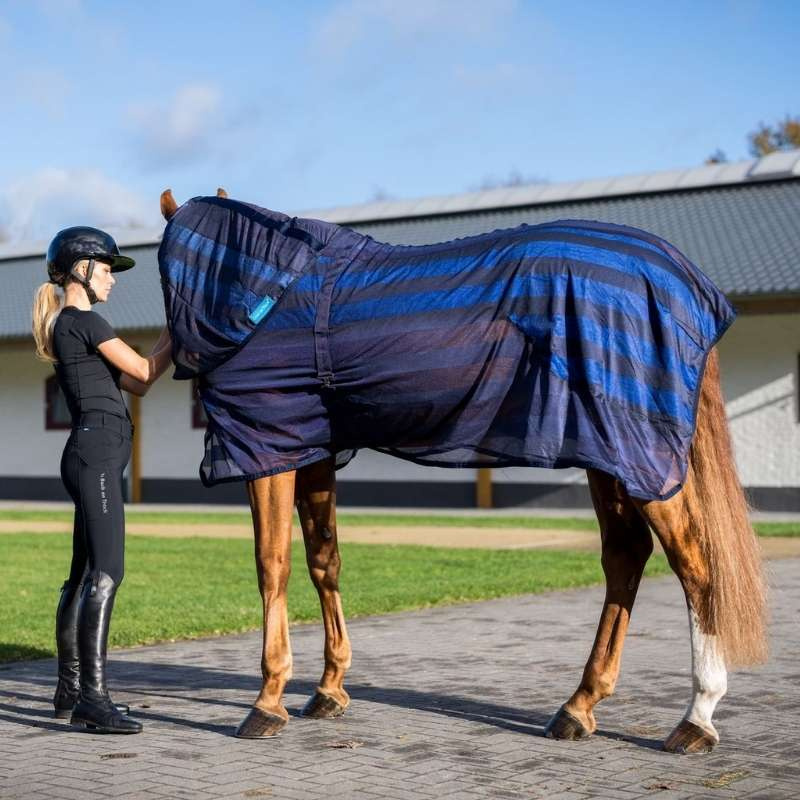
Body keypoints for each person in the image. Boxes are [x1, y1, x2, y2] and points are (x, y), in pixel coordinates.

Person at [31, 227, 173, 734]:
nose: (113, 279)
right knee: (106, 572)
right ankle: (93, 698)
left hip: (91, 456)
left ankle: (69, 693)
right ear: (81, 269)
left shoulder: (70, 326)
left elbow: (139, 380)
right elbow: (140, 366)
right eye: (108, 268)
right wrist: (177, 330)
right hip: (96, 456)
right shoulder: (84, 320)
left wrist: (171, 337)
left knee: (83, 574)